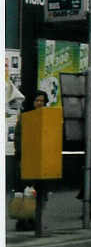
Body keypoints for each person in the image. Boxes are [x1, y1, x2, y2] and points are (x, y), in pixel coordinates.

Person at [12, 90, 48, 230]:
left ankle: (33, 219)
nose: (40, 103)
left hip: (41, 160)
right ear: (32, 102)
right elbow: (19, 139)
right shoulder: (25, 118)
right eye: (37, 100)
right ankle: (22, 221)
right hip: (26, 159)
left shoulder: (46, 118)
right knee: (24, 191)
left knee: (36, 192)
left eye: (42, 101)